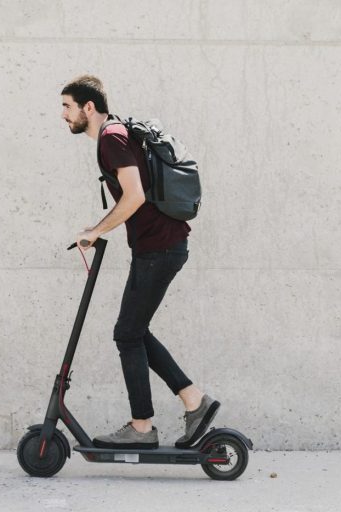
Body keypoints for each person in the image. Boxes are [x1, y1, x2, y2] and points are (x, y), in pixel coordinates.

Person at [60, 75, 220, 449]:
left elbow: (134, 196)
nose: (63, 114)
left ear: (88, 107)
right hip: (159, 246)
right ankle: (193, 402)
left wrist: (96, 230)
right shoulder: (117, 134)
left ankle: (144, 426)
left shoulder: (111, 138)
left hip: (159, 248)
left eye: (67, 106)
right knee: (134, 331)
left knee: (128, 333)